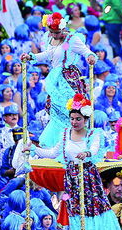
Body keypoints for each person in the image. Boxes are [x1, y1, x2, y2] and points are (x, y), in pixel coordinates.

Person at [22, 94, 122, 230]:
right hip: (72, 178)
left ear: (85, 119)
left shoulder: (94, 134)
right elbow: (53, 152)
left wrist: (86, 153)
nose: (74, 122)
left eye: (78, 119)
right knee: (75, 213)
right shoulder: (65, 134)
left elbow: (94, 148)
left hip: (88, 178)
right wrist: (33, 149)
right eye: (72, 119)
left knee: (92, 212)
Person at [19, 12, 95, 147]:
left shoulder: (72, 39)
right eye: (52, 32)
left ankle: (74, 141)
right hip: (55, 79)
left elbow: (85, 51)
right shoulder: (51, 39)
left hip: (69, 79)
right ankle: (56, 144)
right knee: (56, 111)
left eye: (57, 32)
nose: (54, 35)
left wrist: (90, 56)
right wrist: (32, 57)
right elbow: (48, 54)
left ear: (63, 28)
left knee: (71, 110)